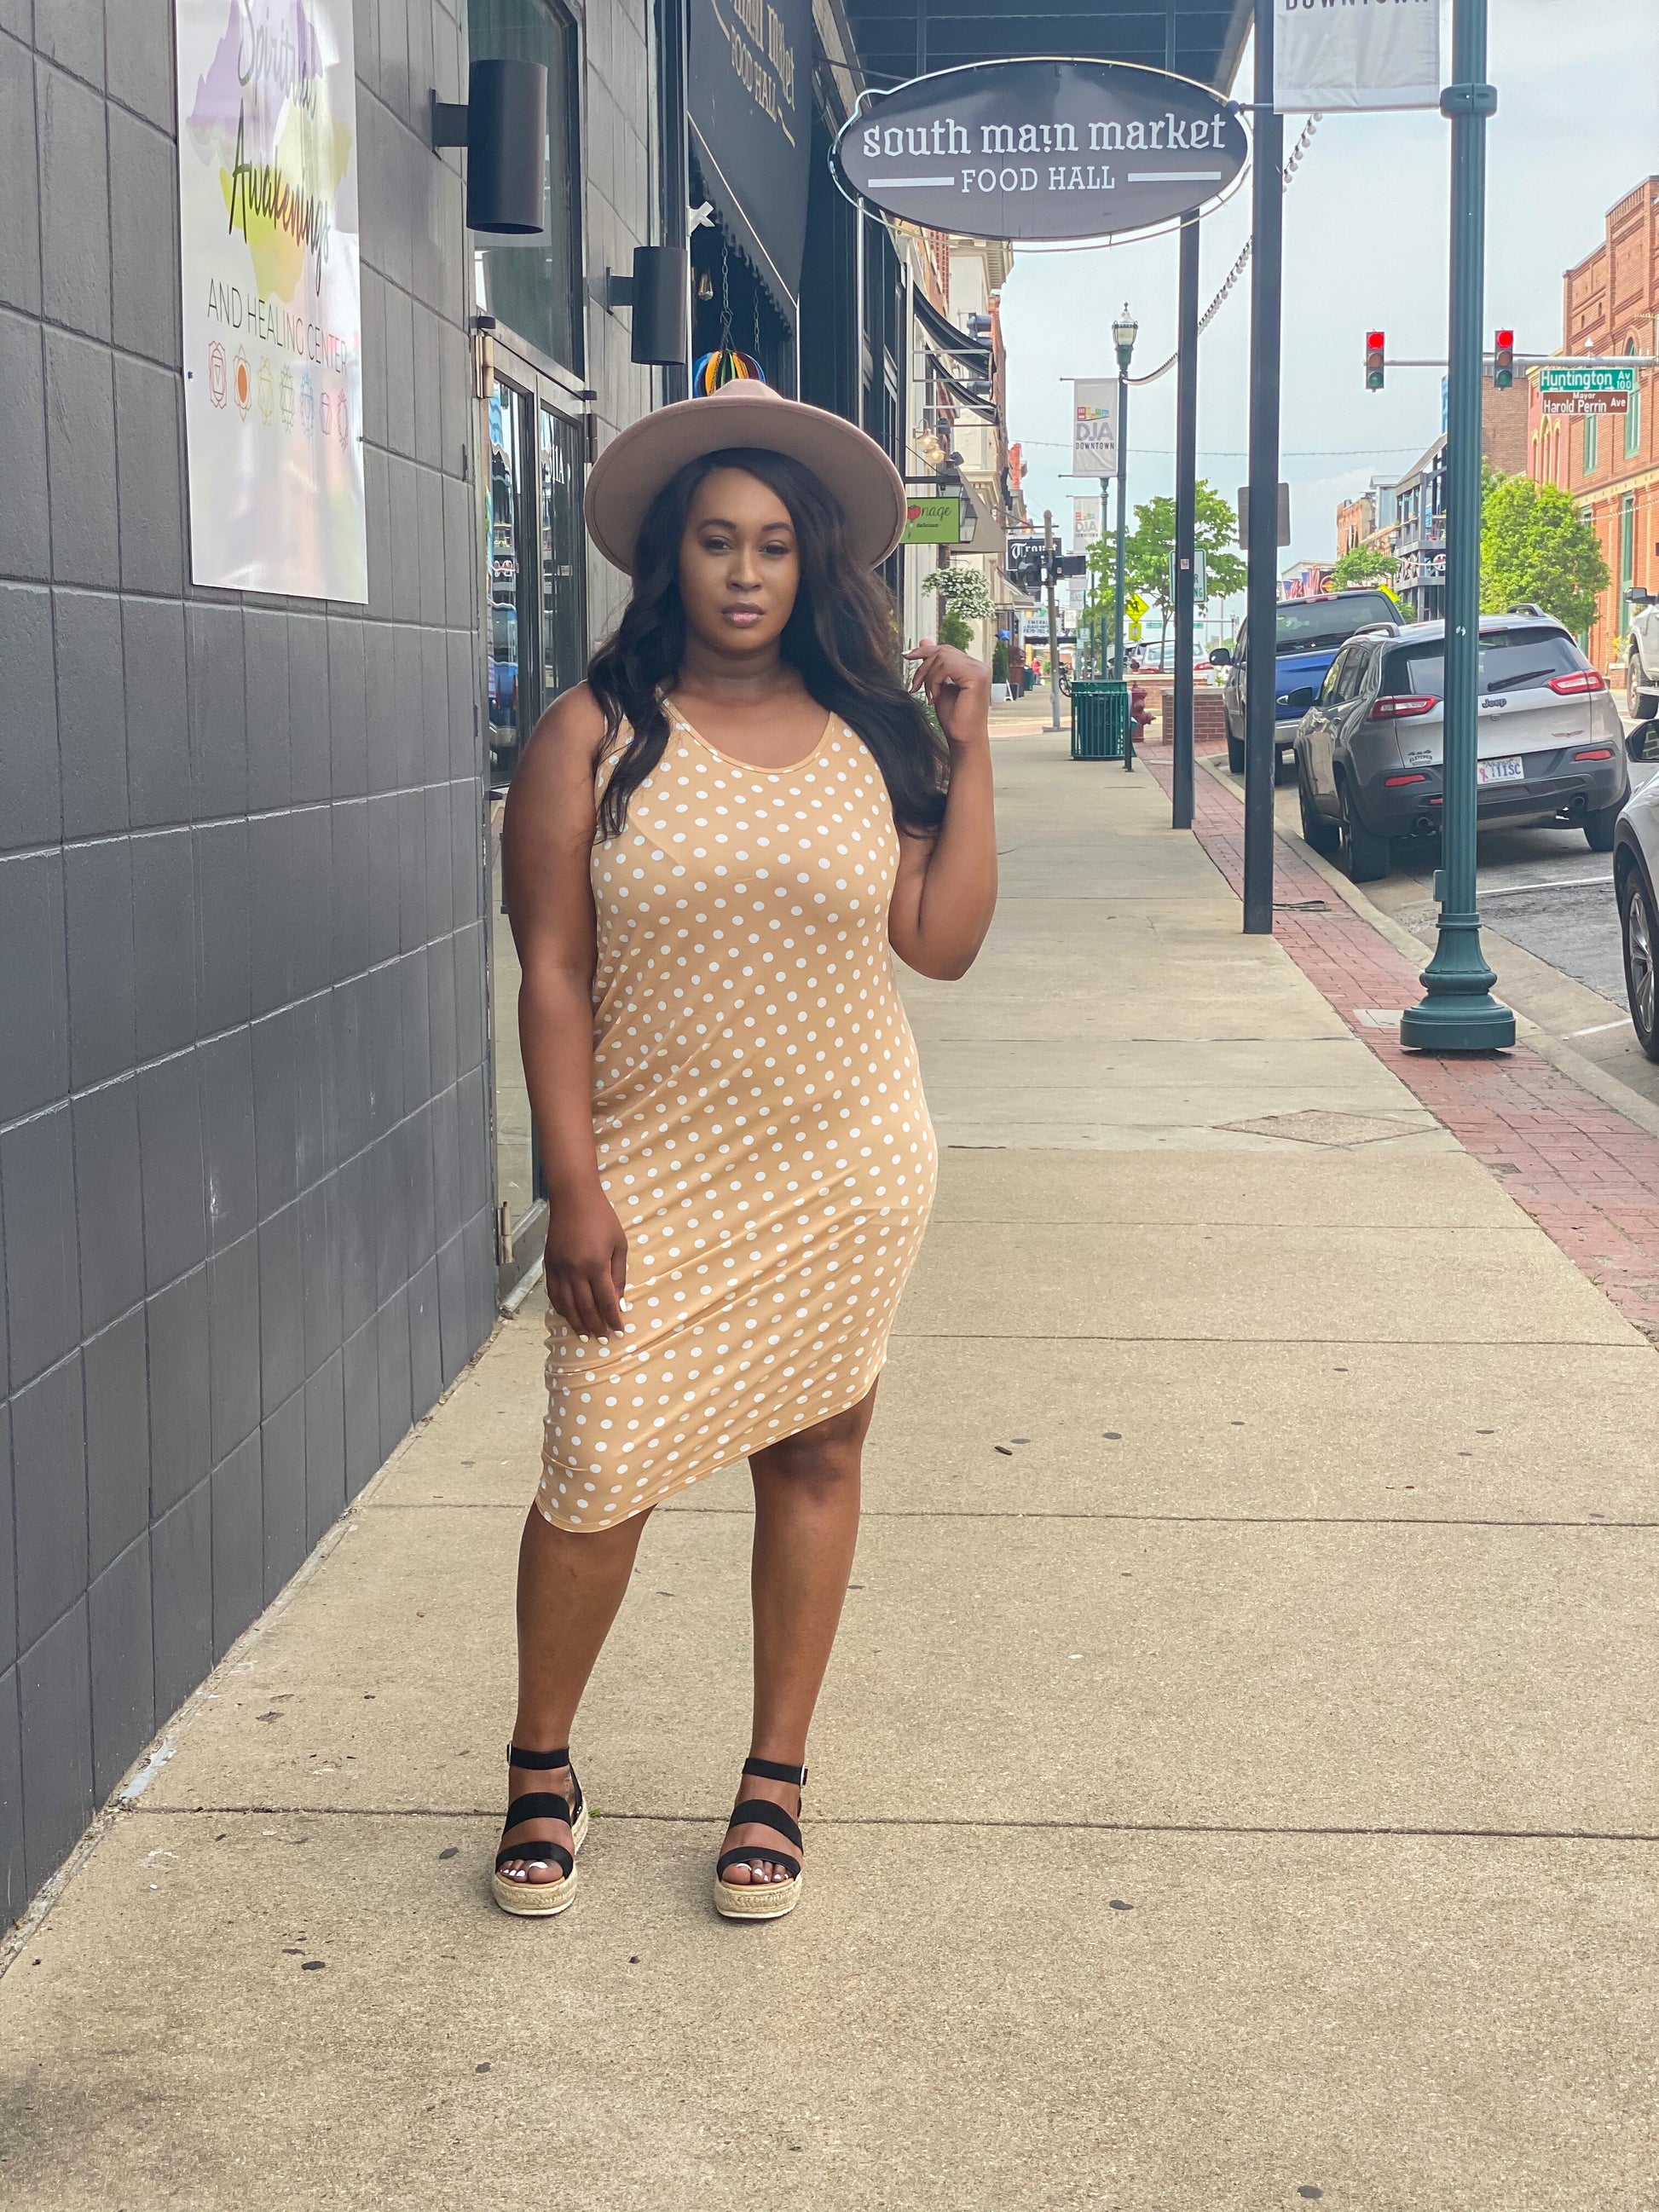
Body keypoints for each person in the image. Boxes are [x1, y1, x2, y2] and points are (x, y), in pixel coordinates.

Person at [494, 382, 998, 1923]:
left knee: (816, 1452)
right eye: (715, 541)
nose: (743, 572)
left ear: (812, 568)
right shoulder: (591, 737)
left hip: (843, 1161)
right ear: (668, 559)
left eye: (774, 546)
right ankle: (539, 1762)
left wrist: (964, 749)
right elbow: (553, 976)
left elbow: (942, 944)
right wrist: (571, 1184)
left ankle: (773, 1775)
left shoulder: (875, 737)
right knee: (595, 1465)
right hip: (645, 1175)